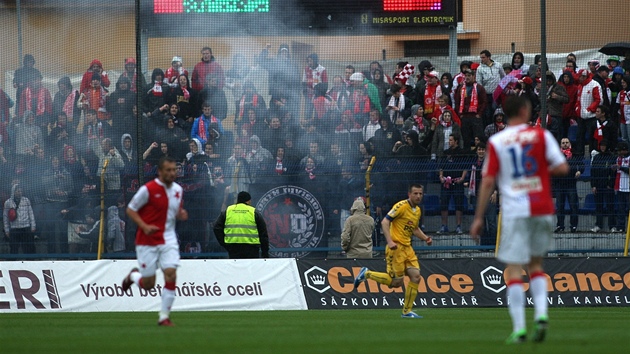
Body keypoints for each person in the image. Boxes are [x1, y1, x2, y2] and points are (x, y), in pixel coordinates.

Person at [470, 95, 569, 344]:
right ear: (526, 110)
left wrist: (479, 216)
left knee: (514, 268)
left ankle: (519, 328)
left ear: (505, 113)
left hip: (514, 211)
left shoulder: (497, 141)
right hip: (541, 207)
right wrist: (538, 171)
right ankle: (542, 315)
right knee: (536, 265)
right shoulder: (541, 135)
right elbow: (562, 168)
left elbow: (488, 181)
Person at [122, 156, 188, 326]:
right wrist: (143, 225)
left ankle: (164, 317)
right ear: (160, 171)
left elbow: (174, 211)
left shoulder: (178, 190)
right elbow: (130, 209)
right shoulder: (148, 189)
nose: (172, 173)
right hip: (147, 240)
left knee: (171, 274)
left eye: (174, 170)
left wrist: (181, 214)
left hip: (168, 238)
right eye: (168, 170)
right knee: (148, 285)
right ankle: (134, 276)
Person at [353, 184, 433, 318]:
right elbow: (385, 222)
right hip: (396, 249)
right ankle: (367, 274)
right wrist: (390, 241)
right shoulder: (401, 206)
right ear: (409, 194)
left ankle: (407, 312)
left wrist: (426, 238)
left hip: (408, 248)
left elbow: (414, 228)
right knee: (396, 283)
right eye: (415, 193)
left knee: (416, 277)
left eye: (420, 193)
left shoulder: (417, 210)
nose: (418, 196)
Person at [213, 191, 269, 259]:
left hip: (233, 248)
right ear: (248, 201)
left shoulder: (228, 210)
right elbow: (263, 233)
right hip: (252, 248)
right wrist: (265, 253)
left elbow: (216, 227)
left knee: (235, 268)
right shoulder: (253, 212)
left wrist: (224, 243)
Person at [3, 184, 37, 255]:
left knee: (28, 248)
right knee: (14, 248)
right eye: (18, 191)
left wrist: (33, 225)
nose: (20, 192)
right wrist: (6, 230)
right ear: (13, 192)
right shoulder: (8, 202)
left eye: (21, 191)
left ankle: (30, 262)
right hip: (14, 228)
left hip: (26, 227)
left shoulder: (26, 200)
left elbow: (31, 213)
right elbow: (5, 217)